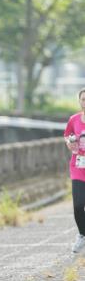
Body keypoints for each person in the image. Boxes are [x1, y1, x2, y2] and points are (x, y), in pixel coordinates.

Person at [64, 87, 85, 255]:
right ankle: (82, 235)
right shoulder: (74, 119)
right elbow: (67, 135)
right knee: (78, 205)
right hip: (78, 167)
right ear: (79, 101)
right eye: (83, 99)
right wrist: (69, 142)